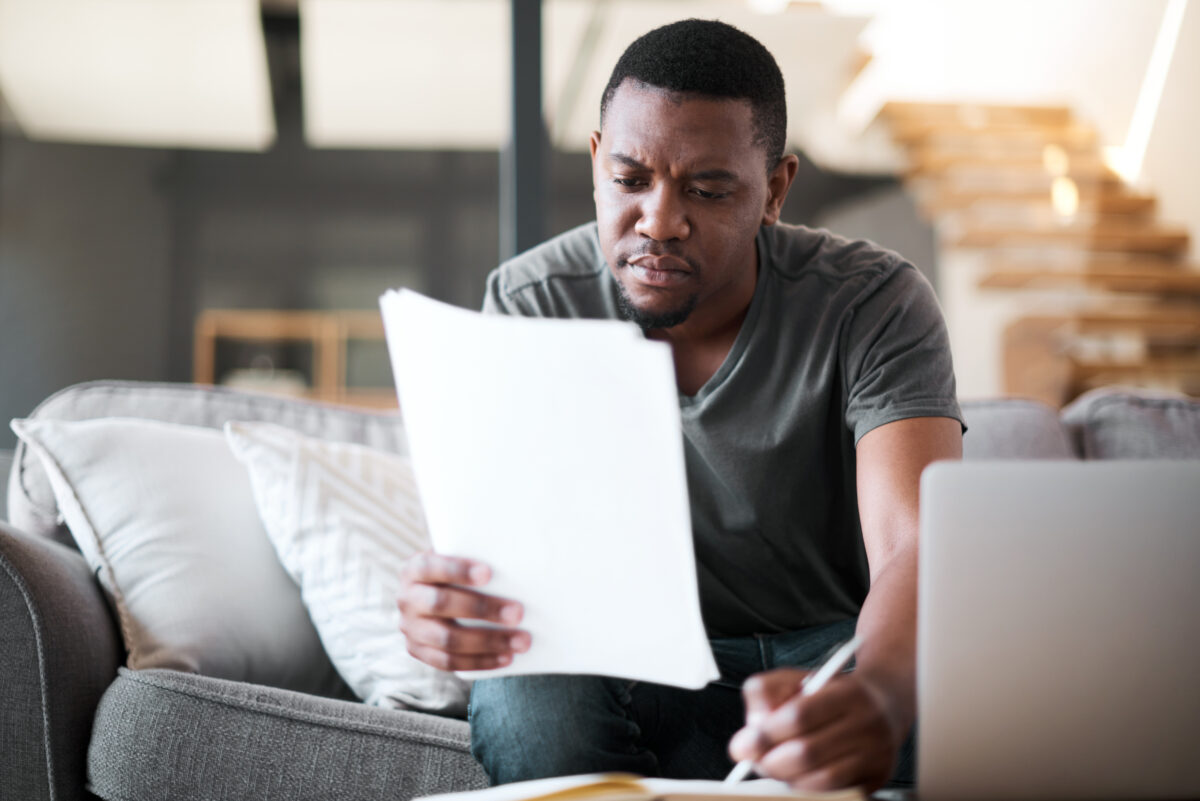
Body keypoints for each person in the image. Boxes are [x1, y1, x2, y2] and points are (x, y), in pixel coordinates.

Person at [396, 18, 964, 793]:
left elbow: (915, 546)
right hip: (643, 670)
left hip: (834, 656)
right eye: (630, 180)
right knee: (526, 698)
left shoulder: (872, 300)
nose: (659, 221)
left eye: (707, 189)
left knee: (970, 690)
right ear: (598, 163)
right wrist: (451, 606)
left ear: (776, 189)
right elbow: (515, 558)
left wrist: (882, 693)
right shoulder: (532, 303)